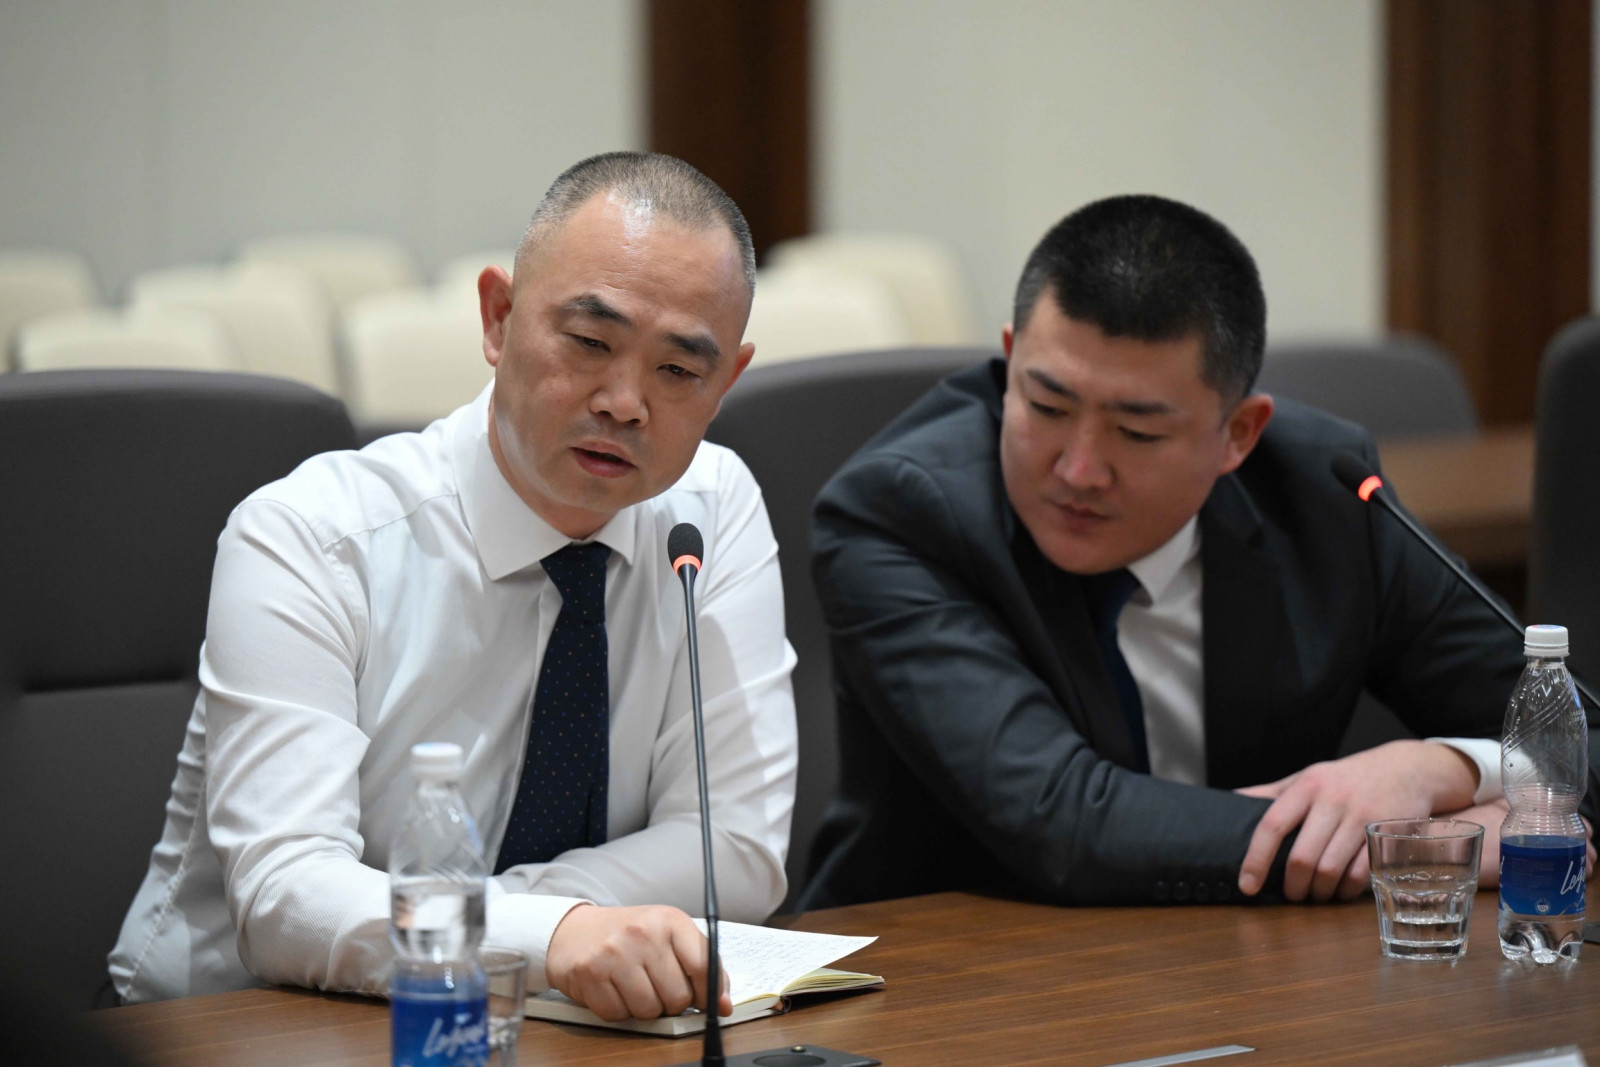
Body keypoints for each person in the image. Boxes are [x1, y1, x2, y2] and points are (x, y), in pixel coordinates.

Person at [110, 152, 797, 1021]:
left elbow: (735, 847)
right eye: (590, 343)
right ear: (498, 319)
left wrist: (530, 925)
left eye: (679, 371)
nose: (625, 401)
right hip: (235, 1025)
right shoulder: (312, 537)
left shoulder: (712, 513)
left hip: (541, 1024)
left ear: (726, 382)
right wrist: (549, 934)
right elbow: (287, 895)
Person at [798, 194, 1600, 911]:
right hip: (946, 974)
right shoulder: (902, 514)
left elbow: (1582, 732)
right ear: (1009, 363)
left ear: (1238, 434)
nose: (1078, 469)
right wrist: (1420, 844)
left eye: (1137, 431)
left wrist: (1441, 769)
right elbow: (1065, 822)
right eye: (1046, 404)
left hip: (1249, 969)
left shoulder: (1324, 495)